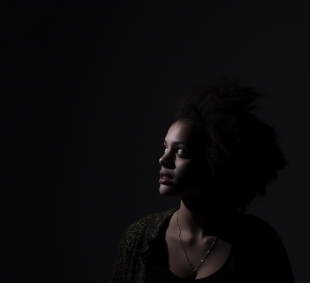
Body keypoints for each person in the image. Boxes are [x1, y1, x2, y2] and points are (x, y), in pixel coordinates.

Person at [111, 78, 293, 282]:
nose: (164, 159)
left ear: (215, 160)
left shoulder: (259, 241)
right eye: (165, 147)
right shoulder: (139, 237)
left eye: (181, 151)